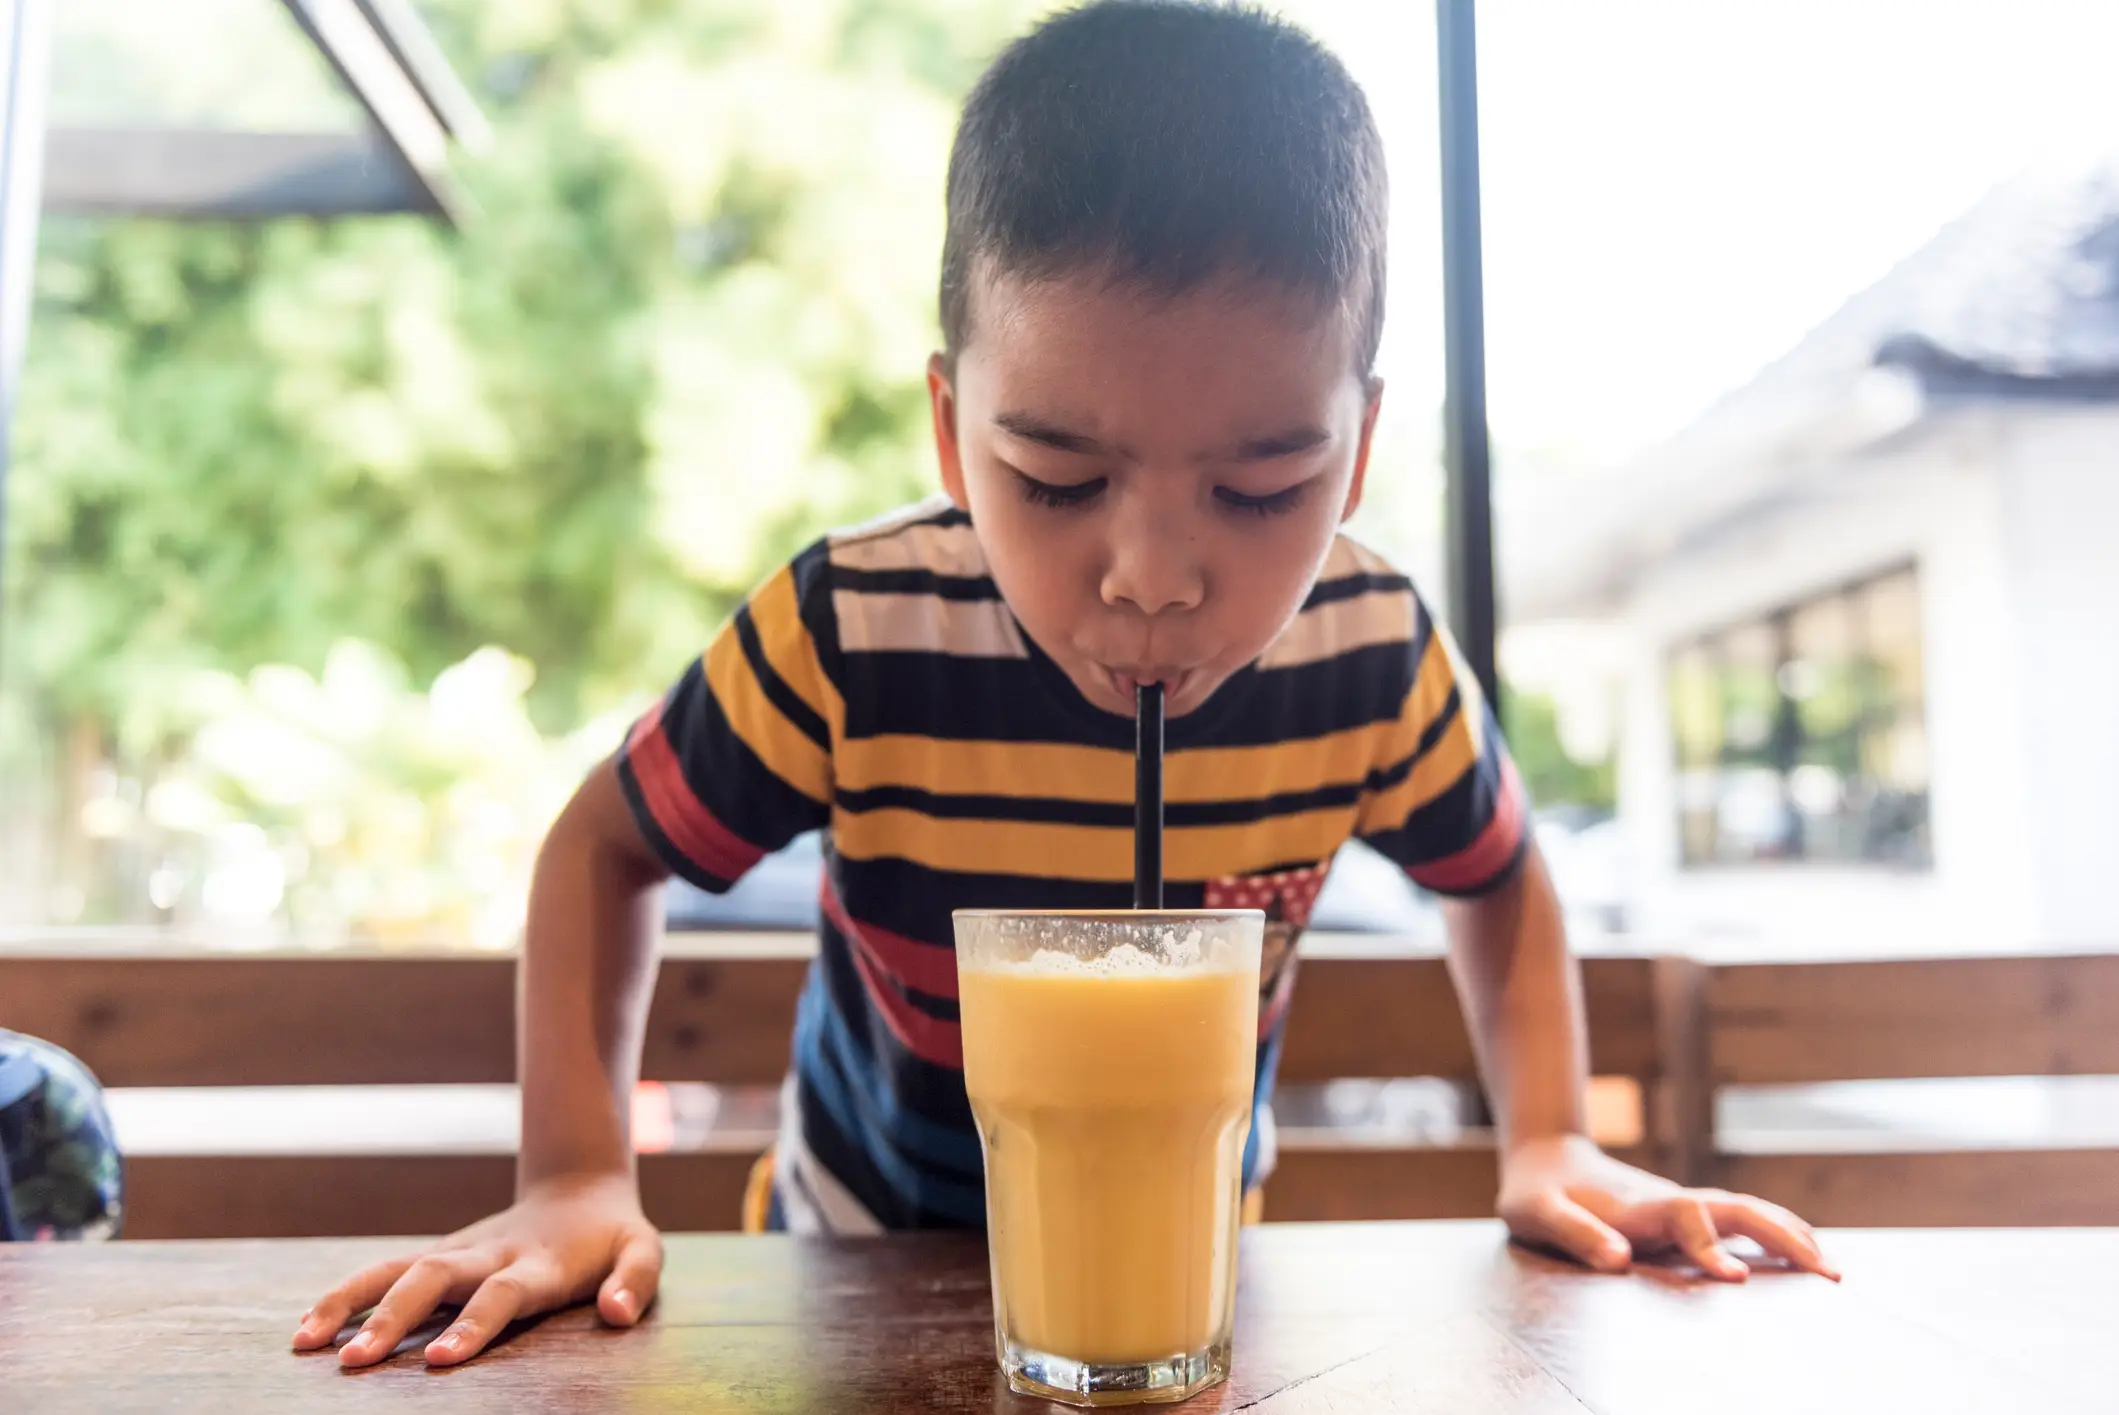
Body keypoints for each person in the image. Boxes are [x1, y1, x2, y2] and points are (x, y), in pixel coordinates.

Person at [296, 0, 1837, 1371]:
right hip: (850, 1281)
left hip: (1198, 1298)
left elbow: (1493, 870)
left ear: (1359, 447)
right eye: (1053, 476)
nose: (1151, 577)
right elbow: (607, 842)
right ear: (949, 428)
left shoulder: (1367, 649)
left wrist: (1550, 1137)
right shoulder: (854, 628)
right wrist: (574, 1175)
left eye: (1262, 487)